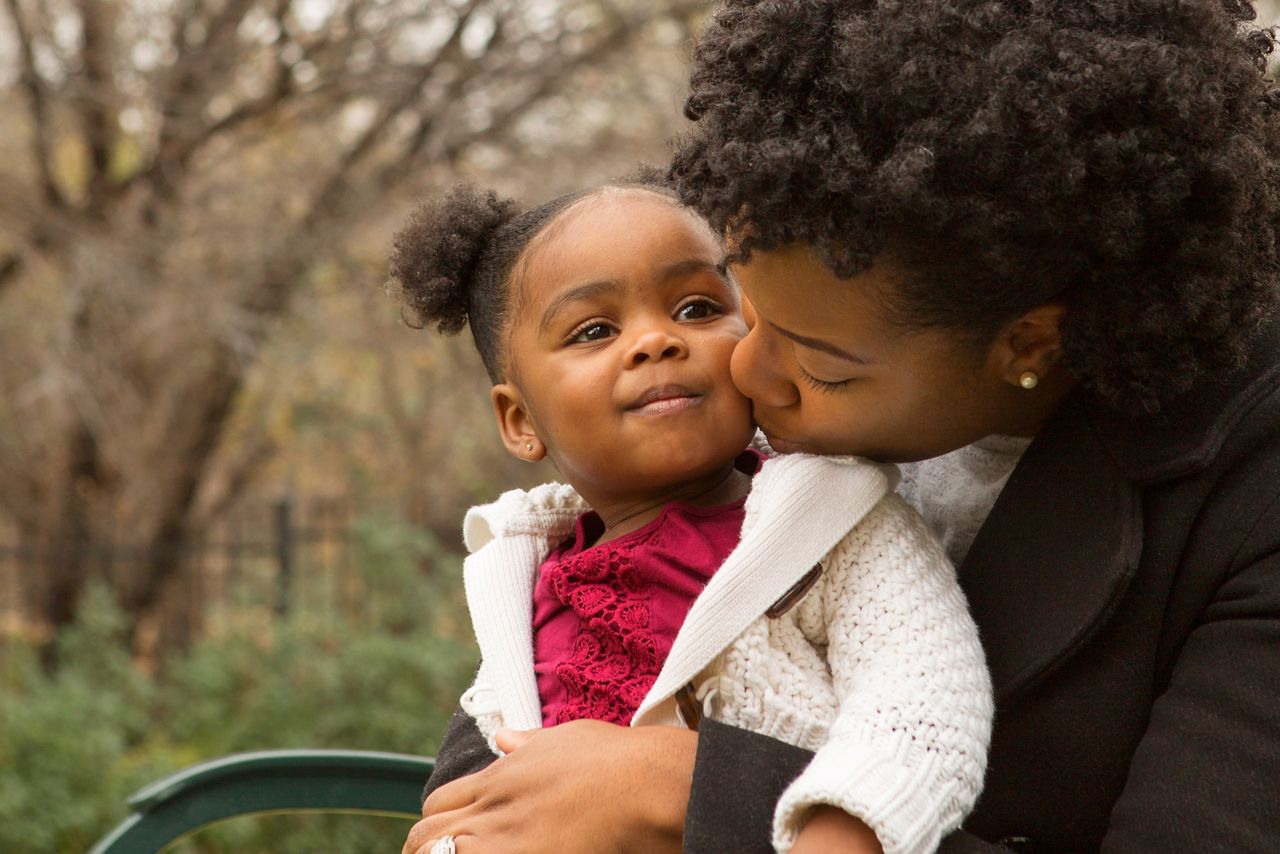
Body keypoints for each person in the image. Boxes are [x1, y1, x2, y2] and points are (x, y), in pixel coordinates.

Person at [402, 1, 1280, 851]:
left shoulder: (1248, 501)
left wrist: (698, 797)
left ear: (1028, 340)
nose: (743, 371)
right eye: (749, 309)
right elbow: (535, 693)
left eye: (819, 361)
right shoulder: (714, 446)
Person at [388, 176, 993, 854]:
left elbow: (922, 709)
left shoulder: (834, 523)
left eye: (699, 308)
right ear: (521, 420)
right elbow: (473, 805)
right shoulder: (526, 578)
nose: (655, 340)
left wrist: (840, 837)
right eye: (595, 329)